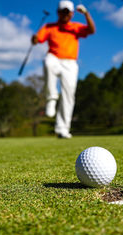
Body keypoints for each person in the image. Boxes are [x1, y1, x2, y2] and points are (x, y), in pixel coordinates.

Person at [32, 0, 96, 139]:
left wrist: (86, 13)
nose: (65, 15)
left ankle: (62, 129)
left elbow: (91, 30)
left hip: (70, 63)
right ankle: (51, 98)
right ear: (58, 12)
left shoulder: (75, 27)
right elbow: (37, 40)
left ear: (72, 14)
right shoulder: (49, 27)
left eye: (68, 12)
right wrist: (34, 39)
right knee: (48, 62)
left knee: (68, 96)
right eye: (63, 12)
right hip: (54, 57)